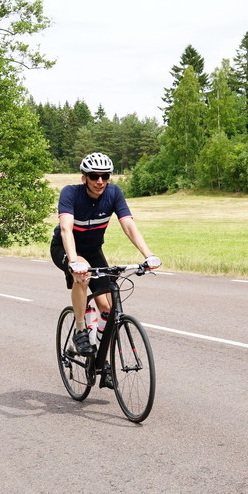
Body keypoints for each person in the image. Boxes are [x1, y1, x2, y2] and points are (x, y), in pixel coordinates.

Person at [51, 152, 161, 360]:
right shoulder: (70, 193)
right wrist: (73, 261)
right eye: (94, 176)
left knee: (109, 309)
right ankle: (81, 331)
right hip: (66, 248)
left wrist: (149, 255)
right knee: (83, 277)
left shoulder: (114, 193)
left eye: (105, 176)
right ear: (84, 178)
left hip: (93, 250)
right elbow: (66, 229)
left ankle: (100, 360)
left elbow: (128, 225)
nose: (100, 181)